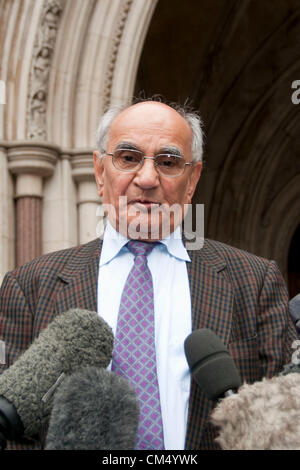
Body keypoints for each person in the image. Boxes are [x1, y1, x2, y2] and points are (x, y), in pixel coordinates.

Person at [0, 99, 297, 450]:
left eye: (168, 162)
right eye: (128, 158)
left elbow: (286, 420)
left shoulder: (254, 280)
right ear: (99, 171)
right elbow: (14, 432)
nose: (147, 178)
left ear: (192, 180)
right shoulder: (30, 285)